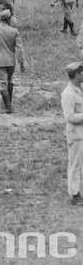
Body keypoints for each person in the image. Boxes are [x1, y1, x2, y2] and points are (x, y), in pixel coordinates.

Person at [0, 10, 27, 114]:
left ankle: (8, 107)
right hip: (11, 60)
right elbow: (19, 48)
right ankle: (9, 103)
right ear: (8, 19)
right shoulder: (14, 31)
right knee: (10, 81)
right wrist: (21, 62)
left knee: (2, 83)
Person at [61, 62, 83, 205]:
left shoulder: (79, 89)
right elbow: (69, 117)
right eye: (81, 73)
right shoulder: (68, 94)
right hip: (75, 135)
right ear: (76, 75)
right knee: (74, 164)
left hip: (81, 133)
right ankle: (74, 194)